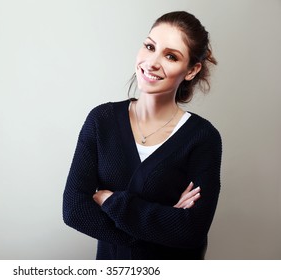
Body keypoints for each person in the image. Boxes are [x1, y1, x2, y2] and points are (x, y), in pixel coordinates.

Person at [62, 11, 222, 260]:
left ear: (191, 70)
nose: (152, 62)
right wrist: (163, 226)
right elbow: (74, 209)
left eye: (171, 56)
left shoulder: (202, 137)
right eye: (150, 47)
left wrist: (111, 202)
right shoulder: (101, 121)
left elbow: (192, 231)